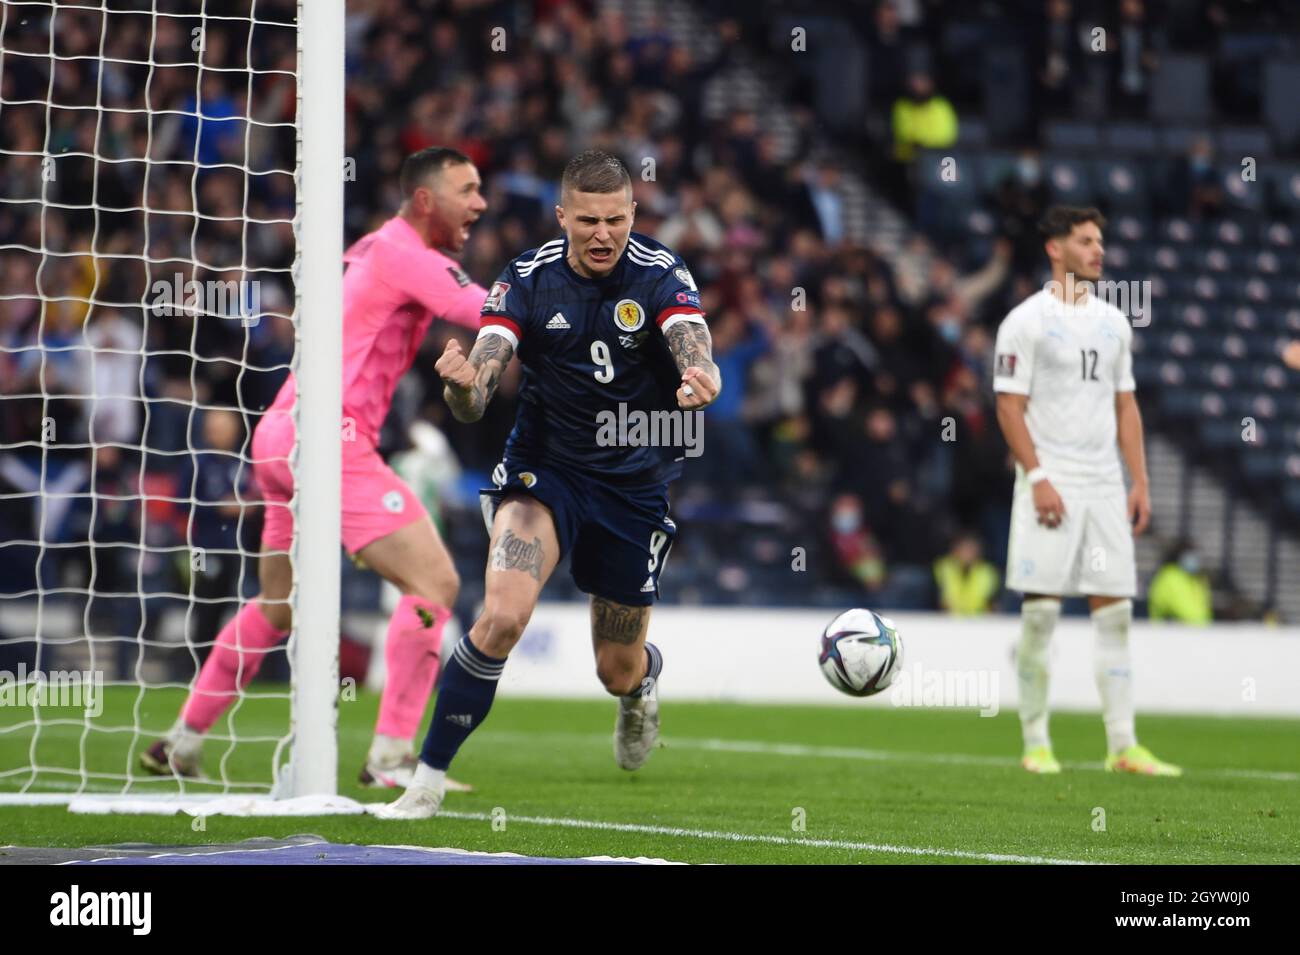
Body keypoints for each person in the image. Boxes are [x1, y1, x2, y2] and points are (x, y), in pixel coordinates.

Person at [378, 150, 721, 819]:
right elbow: (478, 390)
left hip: (633, 482)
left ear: (632, 214)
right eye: (588, 220)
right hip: (546, 472)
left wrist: (702, 374)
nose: (602, 234)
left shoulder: (658, 272)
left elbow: (691, 337)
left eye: (616, 220)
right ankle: (426, 779)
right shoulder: (525, 281)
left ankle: (641, 685)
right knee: (502, 615)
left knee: (613, 668)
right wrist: (464, 388)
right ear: (562, 215)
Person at [142, 147, 488, 790]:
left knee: (276, 606)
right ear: (424, 200)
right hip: (331, 439)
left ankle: (182, 739)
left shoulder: (367, 250)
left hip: (279, 434)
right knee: (435, 586)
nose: (480, 203)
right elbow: (490, 312)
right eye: (466, 190)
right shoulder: (408, 255)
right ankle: (390, 754)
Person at [993, 205, 1181, 776]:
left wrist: (1140, 480)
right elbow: (1008, 405)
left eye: (1100, 240)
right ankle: (1035, 743)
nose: (1099, 250)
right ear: (1055, 249)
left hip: (1103, 484)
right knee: (1041, 615)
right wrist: (1039, 476)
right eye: (1085, 240)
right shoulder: (1025, 321)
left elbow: (1126, 405)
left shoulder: (1114, 323)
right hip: (1051, 481)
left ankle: (1122, 746)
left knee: (1116, 613)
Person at [932, 531, 999, 615]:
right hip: (948, 621)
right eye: (964, 548)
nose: (967, 553)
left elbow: (991, 604)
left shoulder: (988, 572)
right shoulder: (944, 568)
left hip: (979, 622)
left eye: (971, 549)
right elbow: (939, 601)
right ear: (955, 550)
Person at [1148, 542, 1213, 625]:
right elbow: (1179, 610)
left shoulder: (1197, 579)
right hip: (1171, 633)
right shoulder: (1169, 576)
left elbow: (1203, 609)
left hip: (1198, 633)